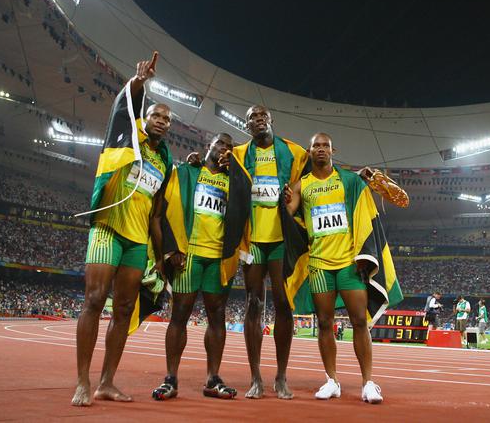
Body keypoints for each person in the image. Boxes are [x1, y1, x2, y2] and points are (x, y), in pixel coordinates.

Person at [72, 52, 173, 406]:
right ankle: (83, 381)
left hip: (137, 240)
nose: (161, 121)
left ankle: (106, 382)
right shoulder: (126, 137)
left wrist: (160, 258)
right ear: (144, 119)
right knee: (95, 300)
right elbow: (122, 111)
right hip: (107, 229)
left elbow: (157, 214)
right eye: (155, 115)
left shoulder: (164, 161)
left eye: (166, 118)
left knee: (125, 309)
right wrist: (138, 84)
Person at [284, 132, 394, 404]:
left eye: (325, 146)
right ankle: (331, 380)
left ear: (334, 150)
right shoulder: (302, 185)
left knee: (359, 321)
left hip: (348, 263)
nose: (320, 149)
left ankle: (368, 382)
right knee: (324, 323)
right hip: (319, 265)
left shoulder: (347, 180)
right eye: (316, 146)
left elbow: (362, 195)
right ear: (309, 152)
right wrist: (283, 200)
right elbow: (287, 216)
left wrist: (364, 177)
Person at [227, 105, 309, 399]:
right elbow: (215, 171)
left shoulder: (294, 152)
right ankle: (255, 377)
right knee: (253, 305)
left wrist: (294, 196)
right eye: (252, 118)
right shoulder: (238, 154)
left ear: (271, 120)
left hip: (280, 239)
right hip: (252, 241)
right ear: (246, 125)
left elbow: (314, 178)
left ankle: (281, 377)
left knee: (283, 305)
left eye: (262, 116)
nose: (258, 120)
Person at [150, 133, 238, 400]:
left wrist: (237, 172)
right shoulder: (187, 173)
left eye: (230, 147)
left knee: (217, 315)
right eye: (220, 143)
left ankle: (213, 378)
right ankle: (170, 378)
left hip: (218, 258)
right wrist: (172, 248)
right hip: (189, 255)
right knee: (180, 313)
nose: (225, 148)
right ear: (208, 147)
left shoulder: (233, 182)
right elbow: (166, 209)